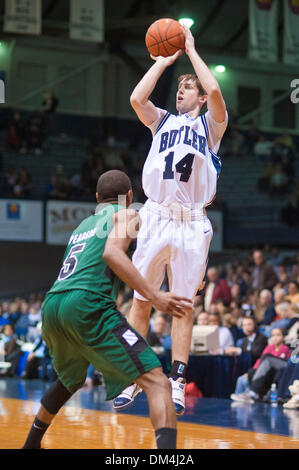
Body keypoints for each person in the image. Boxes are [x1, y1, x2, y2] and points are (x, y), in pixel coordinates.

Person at [22, 170, 192, 450]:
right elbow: (112, 254)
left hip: (52, 306)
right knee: (158, 383)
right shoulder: (126, 214)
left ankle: (30, 445)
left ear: (97, 198)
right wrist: (155, 295)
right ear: (128, 197)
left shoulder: (82, 226)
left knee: (68, 380)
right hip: (86, 303)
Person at [113, 25, 228, 416]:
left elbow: (215, 92)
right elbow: (135, 97)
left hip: (192, 223)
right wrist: (164, 62)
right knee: (141, 300)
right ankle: (135, 374)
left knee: (182, 306)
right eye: (179, 87)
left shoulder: (210, 128)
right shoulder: (161, 121)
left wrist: (192, 50)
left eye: (187, 88)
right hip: (157, 214)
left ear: (198, 97)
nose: (181, 91)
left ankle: (177, 380)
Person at [232, 328, 291, 403]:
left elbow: (280, 363)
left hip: (279, 370)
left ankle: (253, 392)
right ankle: (242, 396)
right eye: (273, 335)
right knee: (249, 373)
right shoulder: (269, 347)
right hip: (266, 371)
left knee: (267, 357)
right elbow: (260, 360)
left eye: (278, 335)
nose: (275, 337)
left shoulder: (285, 349)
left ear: (283, 337)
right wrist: (255, 370)